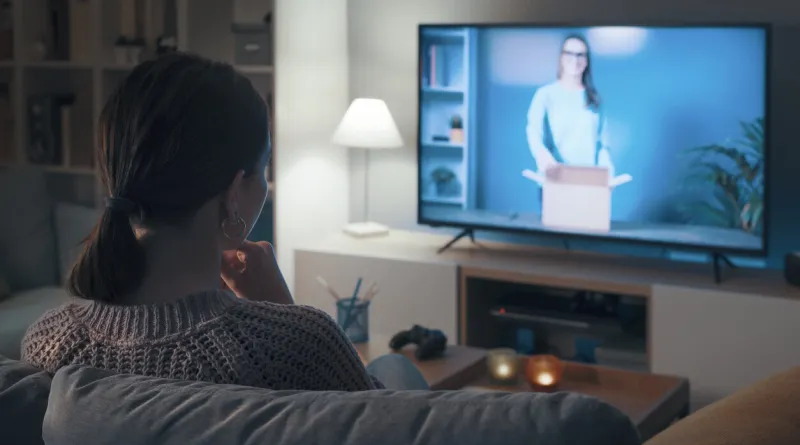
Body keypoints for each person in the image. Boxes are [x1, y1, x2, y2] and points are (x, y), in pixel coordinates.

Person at [21, 53, 427, 391]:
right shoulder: (299, 346)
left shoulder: (48, 344)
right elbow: (380, 436)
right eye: (265, 167)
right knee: (394, 368)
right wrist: (284, 313)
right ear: (234, 193)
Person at [526, 34, 615, 178]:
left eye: (580, 55)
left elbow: (602, 146)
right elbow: (534, 133)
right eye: (569, 53)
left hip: (588, 182)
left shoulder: (594, 99)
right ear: (561, 57)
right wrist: (545, 160)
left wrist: (607, 174)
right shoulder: (545, 95)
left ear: (586, 61)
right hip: (554, 180)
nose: (575, 59)